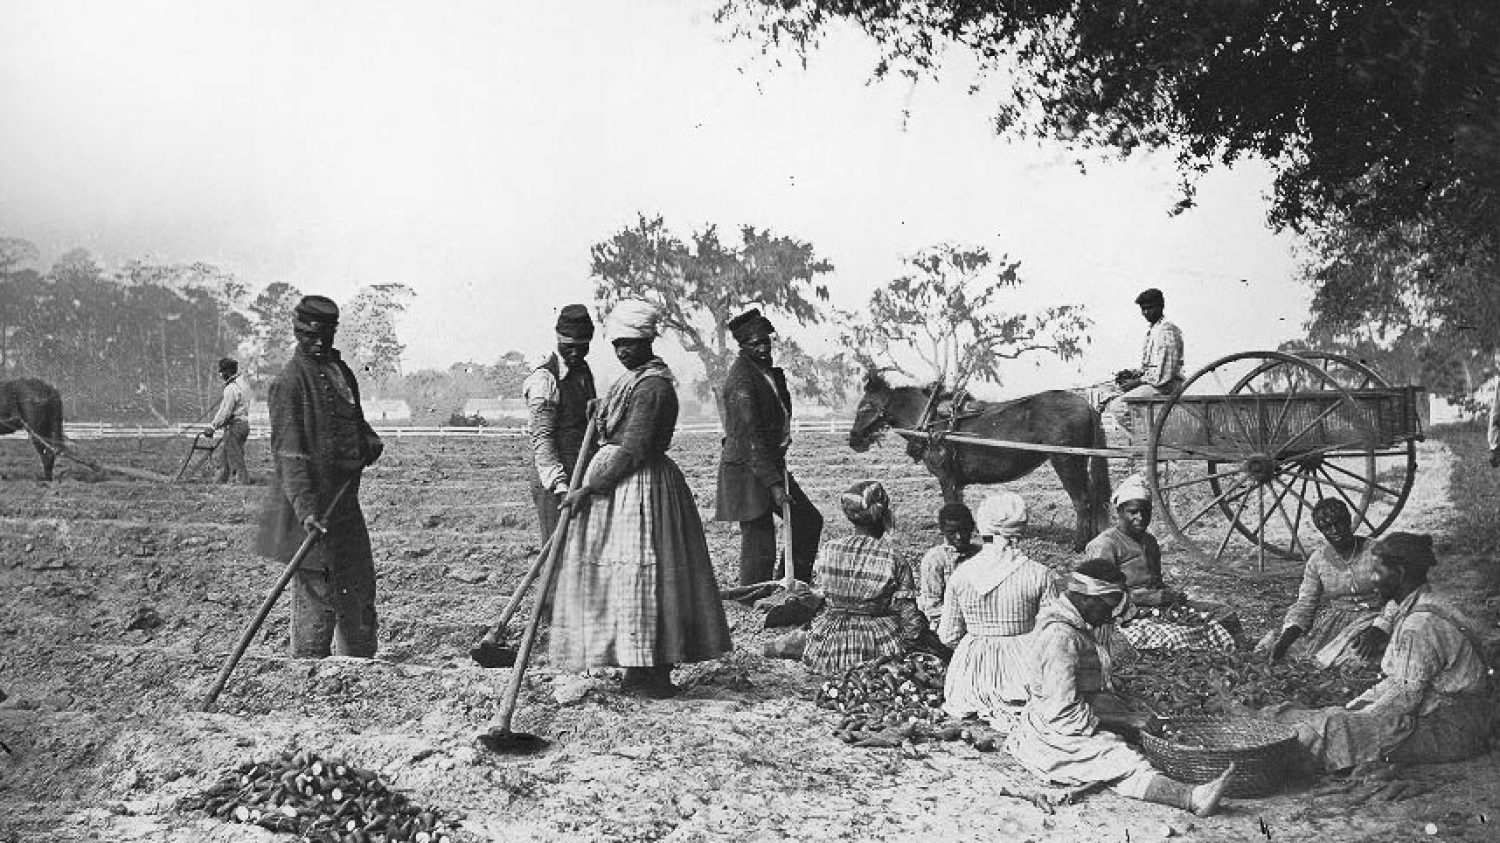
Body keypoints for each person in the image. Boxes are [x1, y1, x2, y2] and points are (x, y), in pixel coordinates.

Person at [549, 300, 731, 698]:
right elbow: (621, 423)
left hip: (642, 487)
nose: (622, 351)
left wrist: (588, 488)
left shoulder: (653, 387)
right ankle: (635, 666)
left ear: (648, 341)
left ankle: (655, 671)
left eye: (629, 344)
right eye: (617, 344)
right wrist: (601, 411)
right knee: (626, 579)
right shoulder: (634, 381)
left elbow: (633, 448)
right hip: (623, 487)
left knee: (648, 576)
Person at [1007, 559, 1236, 817]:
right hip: (1054, 728)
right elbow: (1061, 711)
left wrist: (1125, 708)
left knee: (1139, 733)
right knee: (1121, 758)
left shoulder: (1077, 625)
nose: (1111, 615)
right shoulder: (1060, 637)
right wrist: (1127, 720)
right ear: (1086, 598)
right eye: (1108, 606)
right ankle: (1190, 797)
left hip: (1078, 710)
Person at [1269, 532, 1492, 773]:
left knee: (1336, 727)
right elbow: (1398, 682)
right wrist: (1354, 707)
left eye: (1377, 572)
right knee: (1334, 718)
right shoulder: (1422, 604)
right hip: (1446, 715)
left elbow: (1405, 696)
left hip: (1452, 730)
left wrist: (1357, 720)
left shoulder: (1419, 626)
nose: (1372, 580)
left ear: (1400, 573)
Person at [255, 295, 384, 658]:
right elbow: (289, 456)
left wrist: (368, 442)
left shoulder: (342, 373)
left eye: (324, 336)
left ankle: (358, 668)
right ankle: (307, 672)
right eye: (309, 336)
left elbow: (356, 424)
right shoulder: (289, 382)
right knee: (318, 593)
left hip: (345, 507)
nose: (317, 343)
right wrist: (307, 510)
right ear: (297, 332)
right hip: (309, 511)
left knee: (358, 588)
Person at [715, 307, 823, 586]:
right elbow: (750, 438)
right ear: (742, 346)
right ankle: (753, 594)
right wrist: (774, 485)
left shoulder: (768, 373)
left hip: (769, 462)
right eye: (755, 344)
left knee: (808, 521)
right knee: (759, 538)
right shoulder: (741, 380)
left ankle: (792, 586)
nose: (763, 348)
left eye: (766, 342)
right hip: (747, 467)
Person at [938, 492, 1057, 723]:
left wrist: (980, 642)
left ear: (982, 526)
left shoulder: (961, 575)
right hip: (1023, 673)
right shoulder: (1039, 574)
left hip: (971, 679)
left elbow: (948, 636)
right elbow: (1052, 634)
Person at [1086, 474, 1238, 652]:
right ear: (1119, 512)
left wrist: (1170, 594)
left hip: (1159, 606)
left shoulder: (1149, 541)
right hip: (1125, 613)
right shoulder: (1105, 544)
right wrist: (1147, 598)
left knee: (1225, 613)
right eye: (1133, 512)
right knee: (1176, 636)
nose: (1140, 517)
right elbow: (1099, 595)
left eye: (1146, 512)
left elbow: (1156, 582)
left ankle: (1245, 653)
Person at [801, 480, 927, 675]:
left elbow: (820, 596)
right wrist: (913, 645)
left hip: (830, 645)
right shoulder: (893, 557)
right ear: (883, 515)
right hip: (877, 644)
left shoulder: (829, 549)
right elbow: (909, 615)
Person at [1268, 498, 1391, 667]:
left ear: (1348, 521)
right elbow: (1306, 602)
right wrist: (1286, 638)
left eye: (1339, 523)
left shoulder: (1377, 551)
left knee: (1372, 657)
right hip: (1340, 623)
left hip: (1378, 617)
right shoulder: (1318, 560)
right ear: (1321, 530)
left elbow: (1399, 595)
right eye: (1327, 527)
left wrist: (1381, 627)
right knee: (1306, 654)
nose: (1335, 530)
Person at [521, 304, 597, 541]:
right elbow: (542, 439)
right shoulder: (544, 379)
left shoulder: (583, 370)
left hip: (582, 473)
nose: (575, 353)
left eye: (581, 347)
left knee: (582, 548)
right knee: (557, 547)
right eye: (569, 347)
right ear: (558, 340)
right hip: (554, 479)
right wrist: (560, 487)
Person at [1110, 288, 1185, 437]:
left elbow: (1164, 375)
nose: (1146, 313)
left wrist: (1138, 382)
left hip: (1166, 386)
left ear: (1161, 306)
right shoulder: (1154, 329)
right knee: (1110, 394)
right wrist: (1134, 374)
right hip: (1156, 383)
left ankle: (1148, 440)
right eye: (1143, 309)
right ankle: (1148, 437)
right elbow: (1152, 366)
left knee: (1118, 406)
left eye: (1150, 308)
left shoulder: (1167, 331)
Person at [918, 502, 982, 629]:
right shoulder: (935, 559)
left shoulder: (981, 554)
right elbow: (932, 605)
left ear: (972, 528)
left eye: (964, 530)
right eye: (952, 532)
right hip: (948, 624)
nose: (959, 537)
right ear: (942, 531)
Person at [204, 357, 251, 485]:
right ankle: (220, 480)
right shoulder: (244, 385)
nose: (221, 375)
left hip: (235, 426)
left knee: (235, 456)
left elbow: (225, 412)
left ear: (228, 371)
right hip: (244, 425)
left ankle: (242, 482)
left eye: (222, 372)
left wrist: (213, 427)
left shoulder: (231, 388)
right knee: (225, 455)